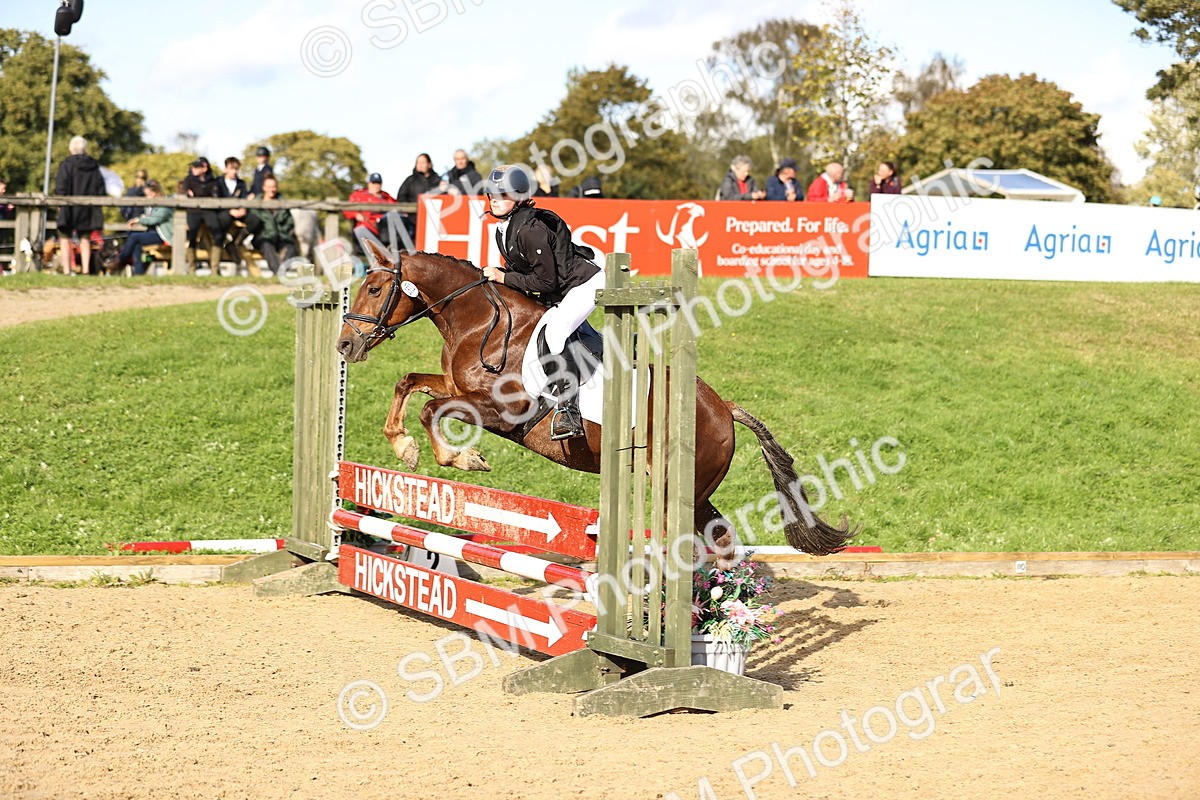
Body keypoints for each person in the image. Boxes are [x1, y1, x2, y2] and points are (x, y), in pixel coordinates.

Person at [481, 165, 605, 441]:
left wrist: (503, 277)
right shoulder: (504, 229)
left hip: (584, 284)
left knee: (556, 331)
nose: (494, 199)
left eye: (502, 194)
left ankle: (568, 409)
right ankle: (601, 344)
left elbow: (546, 283)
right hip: (560, 287)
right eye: (491, 194)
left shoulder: (531, 230)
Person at [53, 136, 107, 275]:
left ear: (71, 149)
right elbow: (100, 187)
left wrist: (60, 203)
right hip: (88, 208)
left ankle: (66, 270)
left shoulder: (66, 164)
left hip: (68, 207)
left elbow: (61, 185)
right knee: (85, 240)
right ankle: (85, 270)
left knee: (65, 239)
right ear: (85, 149)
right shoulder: (93, 165)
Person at [110, 180, 172, 275]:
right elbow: (148, 217)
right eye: (146, 195)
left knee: (135, 237)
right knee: (134, 239)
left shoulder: (165, 204)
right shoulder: (150, 204)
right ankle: (139, 272)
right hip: (152, 232)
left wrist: (139, 220)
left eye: (149, 194)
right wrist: (142, 218)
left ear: (156, 193)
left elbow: (154, 219)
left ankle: (120, 260)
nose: (147, 197)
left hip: (163, 235)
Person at [246, 176, 296, 274]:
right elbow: (253, 222)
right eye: (269, 187)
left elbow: (290, 222)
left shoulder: (283, 203)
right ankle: (280, 275)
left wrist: (282, 231)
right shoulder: (256, 203)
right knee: (267, 247)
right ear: (264, 187)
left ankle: (281, 273)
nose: (272, 190)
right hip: (263, 238)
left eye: (273, 187)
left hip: (281, 237)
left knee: (291, 248)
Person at [344, 173, 396, 253]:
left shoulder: (386, 197)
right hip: (366, 227)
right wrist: (356, 214)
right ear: (369, 183)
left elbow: (397, 208)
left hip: (383, 229)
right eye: (374, 183)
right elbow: (347, 209)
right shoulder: (359, 195)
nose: (376, 185)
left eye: (378, 183)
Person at [182, 157, 219, 269]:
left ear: (204, 168)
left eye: (197, 167)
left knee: (218, 234)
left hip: (208, 211)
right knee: (192, 235)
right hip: (193, 211)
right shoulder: (188, 180)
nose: (193, 169)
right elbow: (185, 193)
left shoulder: (212, 181)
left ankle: (214, 267)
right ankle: (191, 266)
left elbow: (215, 196)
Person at [395, 153, 441, 243]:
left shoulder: (437, 181)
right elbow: (401, 197)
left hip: (432, 221)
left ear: (429, 164)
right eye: (418, 162)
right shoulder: (410, 180)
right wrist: (407, 210)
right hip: (413, 220)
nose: (420, 165)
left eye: (423, 162)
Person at [216, 156, 250, 262]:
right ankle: (220, 246)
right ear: (226, 169)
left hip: (239, 213)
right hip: (223, 213)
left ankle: (235, 243)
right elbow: (216, 199)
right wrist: (230, 211)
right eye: (231, 168)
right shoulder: (218, 182)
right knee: (224, 220)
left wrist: (243, 209)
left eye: (236, 169)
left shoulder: (241, 184)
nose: (234, 171)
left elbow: (245, 198)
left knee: (255, 219)